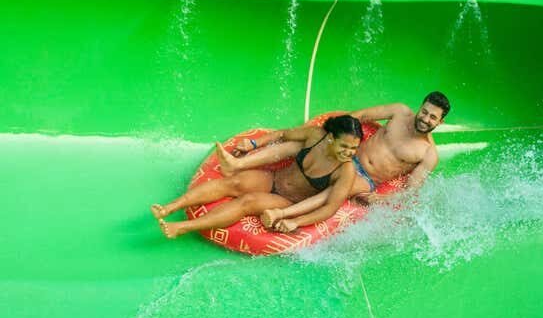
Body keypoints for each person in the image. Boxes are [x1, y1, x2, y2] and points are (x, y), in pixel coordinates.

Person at [219, 92, 451, 231]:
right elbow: (360, 116)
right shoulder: (400, 111)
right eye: (425, 111)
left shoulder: (428, 154)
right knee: (300, 145)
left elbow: (411, 190)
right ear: (420, 107)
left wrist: (382, 198)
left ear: (439, 122)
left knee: (342, 186)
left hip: (365, 178)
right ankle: (240, 162)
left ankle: (285, 216)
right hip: (349, 155)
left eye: (432, 117)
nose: (425, 118)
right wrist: (331, 133)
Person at [151, 114, 363, 237]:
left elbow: (329, 208)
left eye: (354, 148)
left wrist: (297, 221)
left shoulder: (345, 171)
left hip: (289, 200)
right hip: (274, 178)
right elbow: (282, 134)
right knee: (233, 182)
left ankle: (182, 228)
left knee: (248, 202)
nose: (349, 153)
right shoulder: (315, 136)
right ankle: (169, 207)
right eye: (344, 146)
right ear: (330, 138)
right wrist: (254, 143)